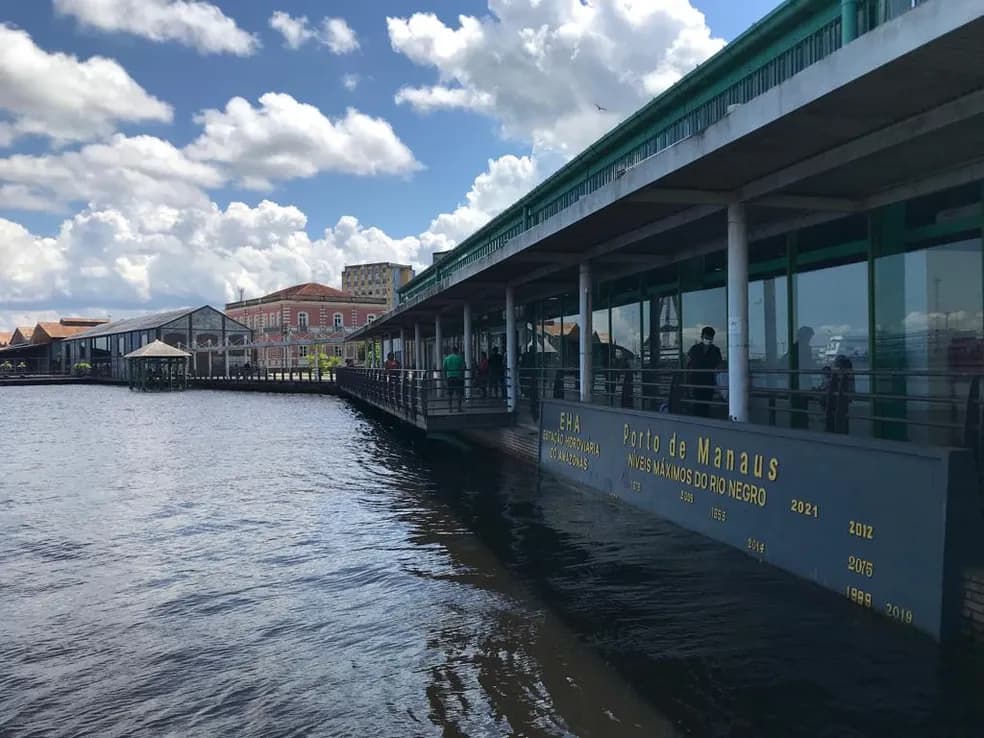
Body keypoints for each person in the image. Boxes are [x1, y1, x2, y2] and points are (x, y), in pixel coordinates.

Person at [686, 326, 722, 417]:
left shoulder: (716, 350)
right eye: (706, 337)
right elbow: (687, 363)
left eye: (710, 338)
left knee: (706, 405)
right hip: (696, 382)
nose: (708, 340)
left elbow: (719, 365)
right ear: (702, 337)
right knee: (697, 405)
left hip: (709, 382)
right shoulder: (694, 349)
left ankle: (704, 420)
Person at [789, 326, 816, 429]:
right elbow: (807, 364)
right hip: (801, 381)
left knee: (800, 406)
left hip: (799, 381)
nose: (810, 339)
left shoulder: (795, 347)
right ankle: (802, 425)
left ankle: (800, 425)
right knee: (802, 405)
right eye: (809, 336)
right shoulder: (804, 348)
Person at [443, 345, 465, 412]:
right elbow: (464, 367)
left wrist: (445, 378)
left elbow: (444, 369)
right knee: (459, 393)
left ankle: (450, 408)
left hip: (449, 377)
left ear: (452, 351)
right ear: (457, 351)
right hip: (458, 377)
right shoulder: (460, 358)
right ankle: (459, 408)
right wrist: (461, 374)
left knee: (450, 394)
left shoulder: (447, 358)